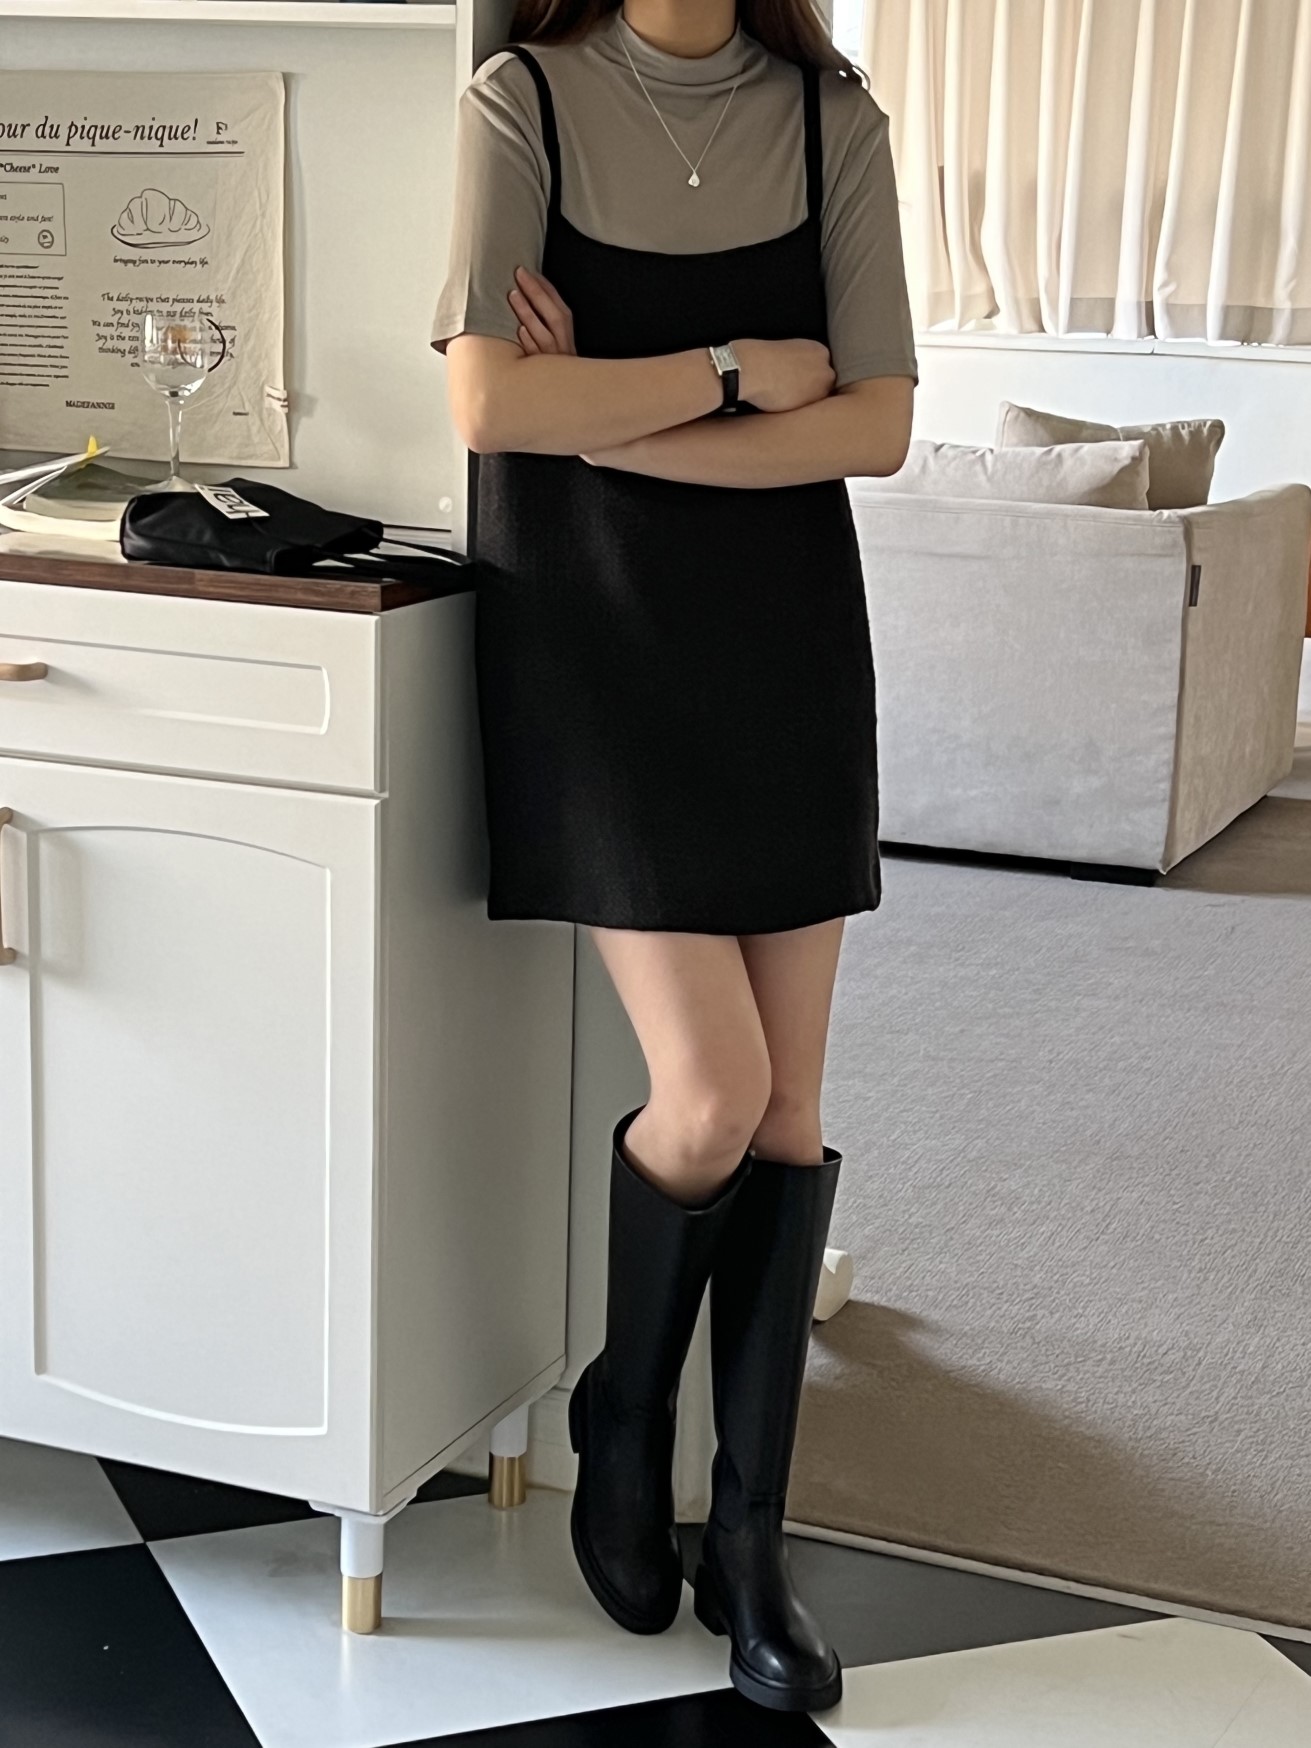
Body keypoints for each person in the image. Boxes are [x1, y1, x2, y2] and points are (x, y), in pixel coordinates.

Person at [432, 0, 916, 1716]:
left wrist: (612, 422)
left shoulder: (833, 119)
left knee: (788, 1114)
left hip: (784, 652)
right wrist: (727, 375)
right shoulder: (523, 102)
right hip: (595, 644)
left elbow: (874, 426)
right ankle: (624, 1418)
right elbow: (489, 403)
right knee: (712, 1094)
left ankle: (751, 1547)